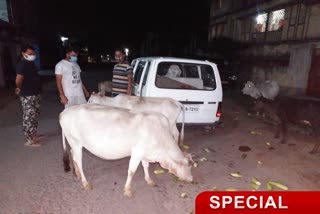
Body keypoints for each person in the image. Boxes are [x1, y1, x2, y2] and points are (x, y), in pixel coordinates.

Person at [15, 44, 45, 147]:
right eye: (30, 53)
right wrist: (19, 87)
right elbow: (18, 80)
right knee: (28, 116)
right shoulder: (22, 64)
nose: (32, 55)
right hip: (27, 94)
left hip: (36, 93)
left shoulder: (31, 63)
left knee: (35, 115)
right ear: (23, 54)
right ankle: (29, 140)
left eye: (33, 53)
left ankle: (34, 134)